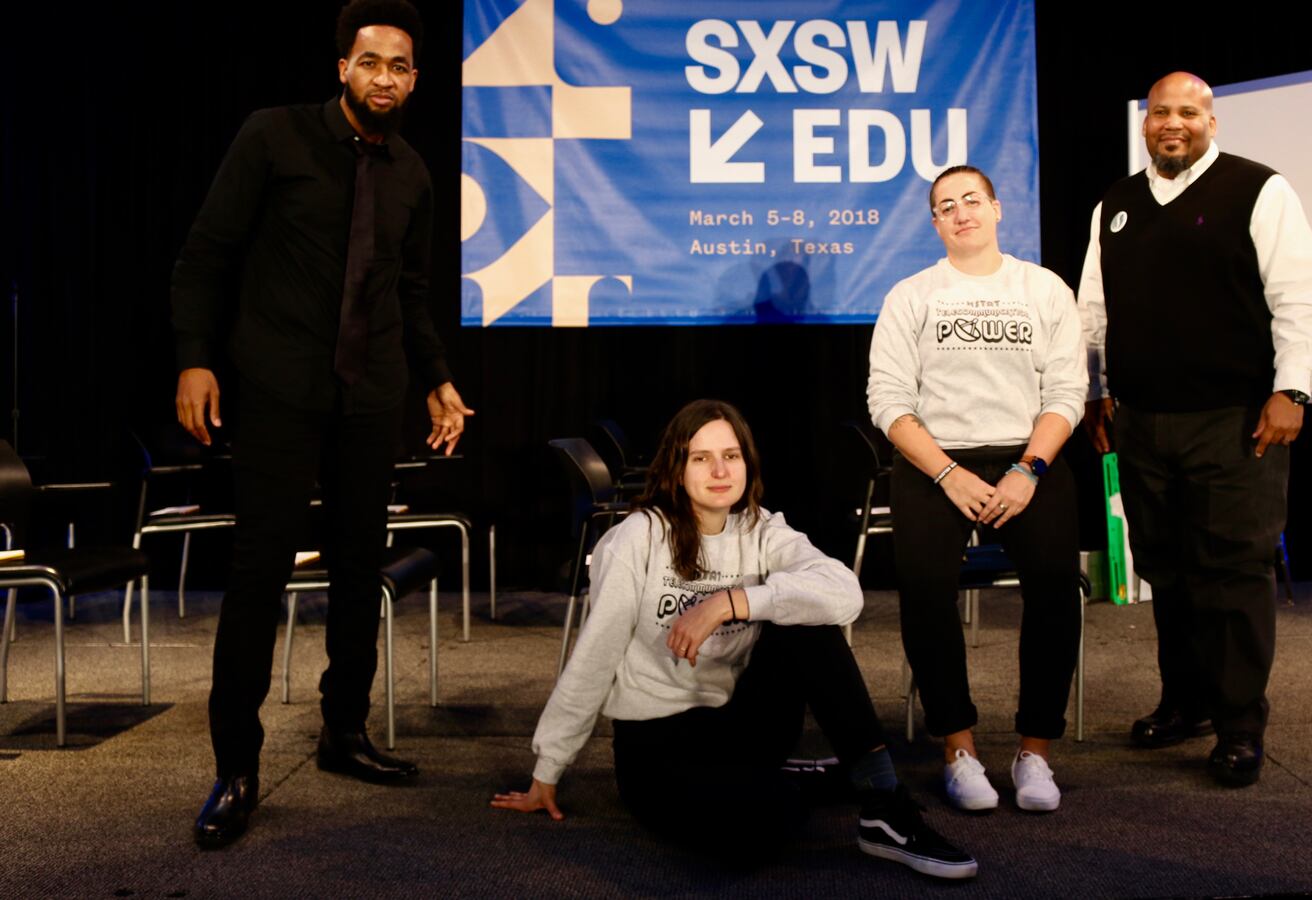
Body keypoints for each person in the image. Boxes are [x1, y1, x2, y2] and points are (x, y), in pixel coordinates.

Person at [171, 0, 473, 848]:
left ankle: (344, 733)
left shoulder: (411, 171)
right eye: (370, 62)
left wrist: (437, 380)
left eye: (400, 67)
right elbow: (206, 255)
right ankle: (236, 764)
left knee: (355, 571)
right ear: (343, 67)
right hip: (277, 387)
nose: (385, 77)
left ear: (415, 79)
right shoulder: (273, 137)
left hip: (369, 395)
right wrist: (195, 357)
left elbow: (408, 295)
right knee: (260, 571)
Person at [492, 399, 975, 880]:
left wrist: (730, 602)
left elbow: (844, 594)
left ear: (748, 462)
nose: (720, 470)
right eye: (700, 458)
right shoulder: (637, 538)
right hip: (658, 744)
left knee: (808, 620)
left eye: (732, 455)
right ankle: (800, 782)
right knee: (759, 834)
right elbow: (593, 657)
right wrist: (548, 770)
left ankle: (882, 805)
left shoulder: (761, 528)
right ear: (676, 467)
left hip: (743, 725)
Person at [1077, 71, 1312, 787]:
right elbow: (1093, 311)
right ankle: (1185, 702)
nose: (1173, 123)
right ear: (1145, 123)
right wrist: (1096, 392)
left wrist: (1292, 390)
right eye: (1161, 112)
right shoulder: (1117, 204)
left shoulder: (1259, 190)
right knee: (1167, 568)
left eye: (1188, 112)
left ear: (1211, 122)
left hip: (1235, 421)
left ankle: (1240, 724)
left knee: (1231, 571)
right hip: (1142, 421)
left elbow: (1301, 298)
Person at [866, 165, 1086, 813]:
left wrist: (1028, 471)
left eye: (971, 200)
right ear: (935, 224)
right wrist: (946, 472)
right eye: (945, 206)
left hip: (1028, 459)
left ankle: (1034, 753)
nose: (960, 212)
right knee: (926, 593)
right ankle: (958, 748)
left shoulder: (1043, 289)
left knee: (1054, 590)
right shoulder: (911, 295)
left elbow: (1067, 393)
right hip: (938, 462)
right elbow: (888, 400)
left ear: (996, 209)